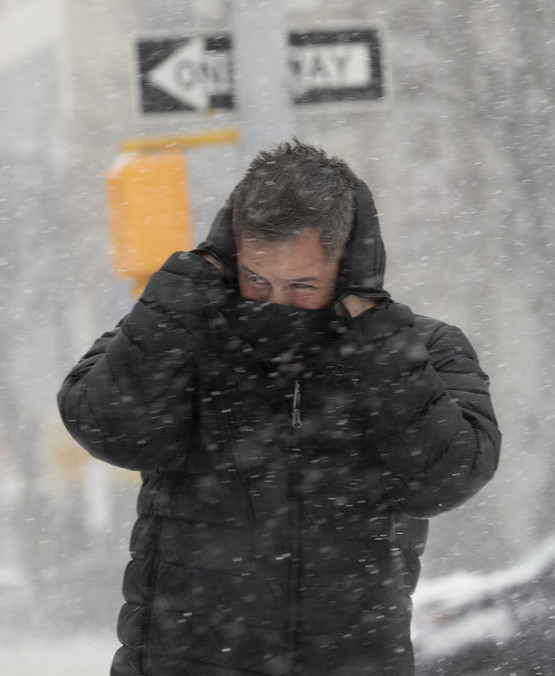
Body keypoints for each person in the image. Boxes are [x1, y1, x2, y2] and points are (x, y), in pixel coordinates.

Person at [58, 140, 501, 676]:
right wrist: (187, 285)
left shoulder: (419, 349)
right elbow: (107, 424)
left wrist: (372, 333)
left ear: (347, 266)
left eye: (302, 285)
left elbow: (446, 478)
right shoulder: (187, 334)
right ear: (232, 254)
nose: (275, 303)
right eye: (257, 280)